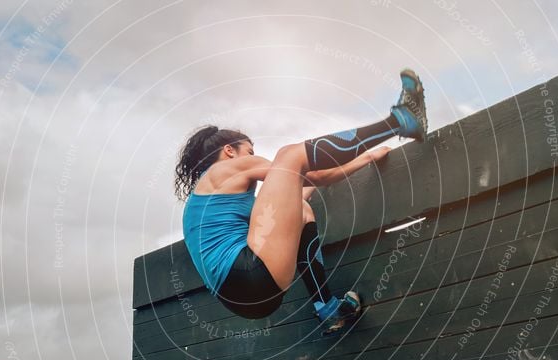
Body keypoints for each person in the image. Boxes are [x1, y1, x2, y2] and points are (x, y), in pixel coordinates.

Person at [176, 69, 427, 334]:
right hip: (249, 273)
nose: (254, 157)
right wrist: (357, 158)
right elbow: (311, 171)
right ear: (230, 151)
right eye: (250, 151)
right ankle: (399, 121)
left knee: (303, 207)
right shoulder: (226, 169)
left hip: (246, 299)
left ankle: (328, 309)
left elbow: (304, 190)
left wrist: (365, 159)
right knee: (289, 155)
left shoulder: (207, 203)